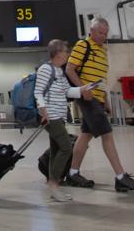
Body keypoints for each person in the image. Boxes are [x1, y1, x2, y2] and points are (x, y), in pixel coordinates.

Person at [63, 17, 134, 191]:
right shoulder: (82, 46)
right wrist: (82, 89)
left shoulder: (103, 51)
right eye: (100, 32)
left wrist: (106, 100)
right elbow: (70, 69)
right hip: (87, 98)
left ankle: (72, 173)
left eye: (106, 33)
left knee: (85, 135)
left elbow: (101, 80)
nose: (103, 36)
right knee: (107, 134)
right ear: (91, 31)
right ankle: (120, 177)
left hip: (98, 99)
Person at [36, 39, 94, 202]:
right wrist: (43, 110)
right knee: (66, 147)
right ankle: (54, 184)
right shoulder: (45, 69)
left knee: (56, 150)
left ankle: (53, 186)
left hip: (59, 116)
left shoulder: (59, 71)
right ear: (58, 53)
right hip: (50, 116)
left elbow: (67, 91)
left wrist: (82, 90)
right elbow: (38, 92)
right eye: (66, 51)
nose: (68, 54)